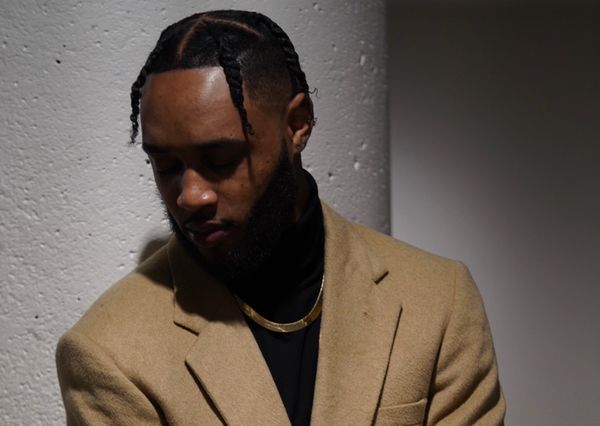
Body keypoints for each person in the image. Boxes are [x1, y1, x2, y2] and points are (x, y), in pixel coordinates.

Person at [56, 10, 505, 425]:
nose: (191, 196)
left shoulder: (439, 300)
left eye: (220, 159)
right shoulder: (108, 351)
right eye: (166, 166)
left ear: (297, 124)